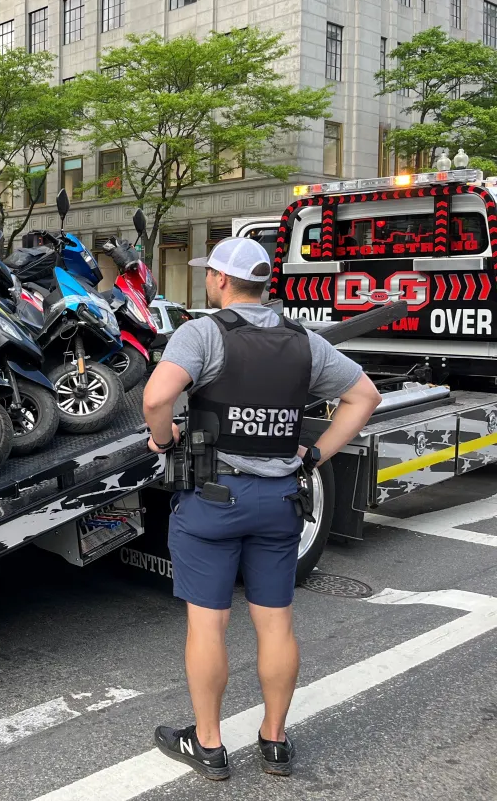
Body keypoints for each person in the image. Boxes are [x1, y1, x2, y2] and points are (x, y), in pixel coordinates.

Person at [141, 236, 381, 780]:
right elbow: (366, 396)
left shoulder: (203, 333)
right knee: (275, 624)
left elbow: (156, 398)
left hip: (213, 500)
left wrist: (163, 439)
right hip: (280, 502)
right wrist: (315, 454)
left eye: (208, 273)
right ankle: (274, 740)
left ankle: (208, 745)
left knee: (209, 625)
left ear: (221, 280)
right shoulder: (303, 341)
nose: (207, 280)